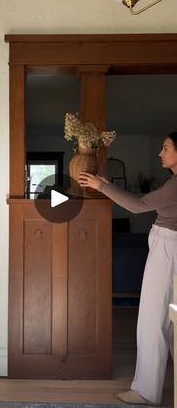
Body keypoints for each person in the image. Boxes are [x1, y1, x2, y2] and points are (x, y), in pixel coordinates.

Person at [78, 132, 177, 406]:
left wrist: (100, 186)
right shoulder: (172, 184)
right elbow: (145, 200)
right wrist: (108, 185)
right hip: (169, 249)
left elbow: (138, 206)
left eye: (166, 147)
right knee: (170, 321)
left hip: (169, 252)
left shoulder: (176, 185)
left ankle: (146, 391)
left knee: (152, 321)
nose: (160, 152)